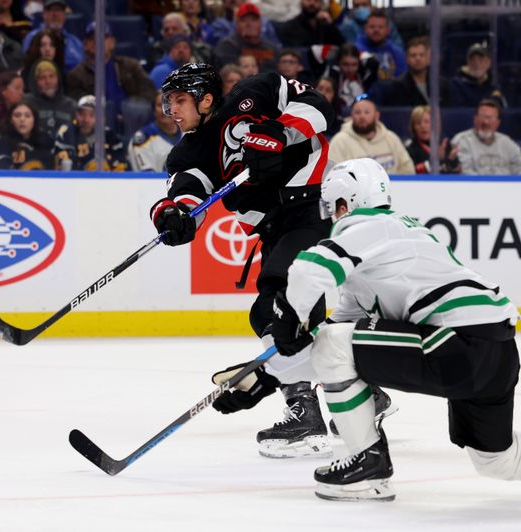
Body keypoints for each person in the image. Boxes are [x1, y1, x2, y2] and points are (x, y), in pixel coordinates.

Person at [266, 158, 519, 501]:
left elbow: (311, 271)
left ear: (347, 201)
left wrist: (288, 315)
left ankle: (367, 465)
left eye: (333, 206)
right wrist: (268, 375)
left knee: (332, 343)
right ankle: (367, 462)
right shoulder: (402, 234)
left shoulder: (369, 226)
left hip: (458, 344)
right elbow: (341, 331)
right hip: (496, 348)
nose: (332, 217)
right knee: (497, 462)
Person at [151, 62, 356, 459]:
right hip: (276, 230)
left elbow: (319, 107)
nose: (171, 109)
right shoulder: (187, 152)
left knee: (280, 302)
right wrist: (175, 217)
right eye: (168, 101)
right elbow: (187, 193)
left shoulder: (259, 90)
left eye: (179, 100)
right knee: (277, 316)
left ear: (206, 98)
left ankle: (305, 413)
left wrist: (280, 132)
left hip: (313, 206)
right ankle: (361, 391)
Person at [67, 22, 156, 115]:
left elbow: (149, 91)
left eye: (102, 37)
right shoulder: (76, 75)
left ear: (112, 43)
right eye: (91, 38)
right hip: (97, 121)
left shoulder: (130, 66)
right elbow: (80, 104)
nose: (97, 41)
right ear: (85, 45)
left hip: (131, 119)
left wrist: (131, 109)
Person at [327, 96, 415, 174]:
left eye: (367, 112)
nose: (362, 116)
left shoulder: (391, 138)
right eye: (358, 112)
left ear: (377, 116)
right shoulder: (339, 141)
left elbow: (407, 168)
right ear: (352, 116)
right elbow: (332, 174)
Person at [54, 95, 127, 171]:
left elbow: (121, 165)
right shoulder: (67, 133)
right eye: (82, 114)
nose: (86, 120)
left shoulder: (110, 136)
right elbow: (63, 166)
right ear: (76, 115)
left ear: (102, 118)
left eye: (92, 115)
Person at [452, 99, 521, 176]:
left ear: (498, 123)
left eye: (490, 118)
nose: (486, 122)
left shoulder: (507, 143)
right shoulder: (462, 140)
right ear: (475, 119)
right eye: (483, 117)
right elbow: (465, 173)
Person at [0, 99, 54, 170]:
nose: (22, 119)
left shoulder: (46, 141)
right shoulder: (1, 142)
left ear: (34, 120)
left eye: (27, 116)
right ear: (11, 120)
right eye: (17, 116)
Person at [212, 3, 279, 73]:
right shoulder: (228, 46)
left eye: (253, 20)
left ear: (260, 23)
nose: (249, 24)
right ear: (237, 23)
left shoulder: (272, 49)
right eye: (244, 20)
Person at [22, 0, 83, 72]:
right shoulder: (32, 37)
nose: (55, 14)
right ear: (43, 13)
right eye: (51, 10)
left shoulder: (75, 42)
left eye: (59, 10)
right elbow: (29, 64)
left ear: (64, 15)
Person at [128, 92, 182, 172]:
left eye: (169, 105)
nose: (165, 110)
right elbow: (147, 179)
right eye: (160, 105)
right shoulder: (143, 139)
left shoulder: (191, 133)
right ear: (154, 110)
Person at [26, 60, 76, 139]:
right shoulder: (26, 104)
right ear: (35, 82)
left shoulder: (71, 106)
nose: (48, 82)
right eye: (42, 78)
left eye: (52, 76)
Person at [404, 105, 460, 174]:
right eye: (418, 123)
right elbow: (412, 171)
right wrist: (436, 160)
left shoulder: (445, 144)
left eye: (427, 122)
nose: (423, 126)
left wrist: (452, 161)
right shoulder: (410, 149)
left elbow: (456, 173)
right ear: (413, 127)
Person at [448, 43, 506, 109]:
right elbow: (461, 111)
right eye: (472, 59)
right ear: (468, 62)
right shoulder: (457, 84)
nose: (476, 63)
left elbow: (501, 107)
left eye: (480, 59)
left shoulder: (494, 83)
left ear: (489, 63)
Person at [355, 10, 406, 80]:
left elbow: (402, 79)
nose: (376, 30)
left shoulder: (398, 53)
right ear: (365, 29)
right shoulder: (355, 51)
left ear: (388, 30)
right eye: (372, 27)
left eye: (380, 27)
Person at [275, 0, 344, 48]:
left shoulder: (325, 24)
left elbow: (340, 45)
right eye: (308, 0)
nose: (312, 3)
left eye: (316, 1)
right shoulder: (290, 26)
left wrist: (330, 25)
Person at [21, 28, 66, 93]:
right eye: (43, 45)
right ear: (35, 48)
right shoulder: (26, 74)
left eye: (52, 45)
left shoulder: (62, 74)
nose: (47, 49)